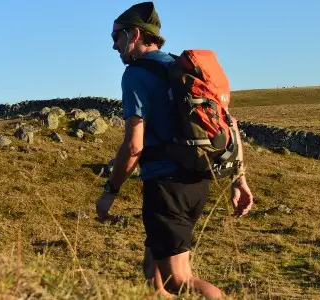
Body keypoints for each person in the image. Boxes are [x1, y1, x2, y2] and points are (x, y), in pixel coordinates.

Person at [95, 2, 254, 299]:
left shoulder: (135, 75)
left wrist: (110, 191)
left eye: (116, 36)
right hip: (197, 183)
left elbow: (134, 145)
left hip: (167, 188)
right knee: (152, 277)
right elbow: (229, 124)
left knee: (178, 280)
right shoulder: (180, 69)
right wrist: (239, 180)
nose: (113, 45)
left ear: (135, 34)